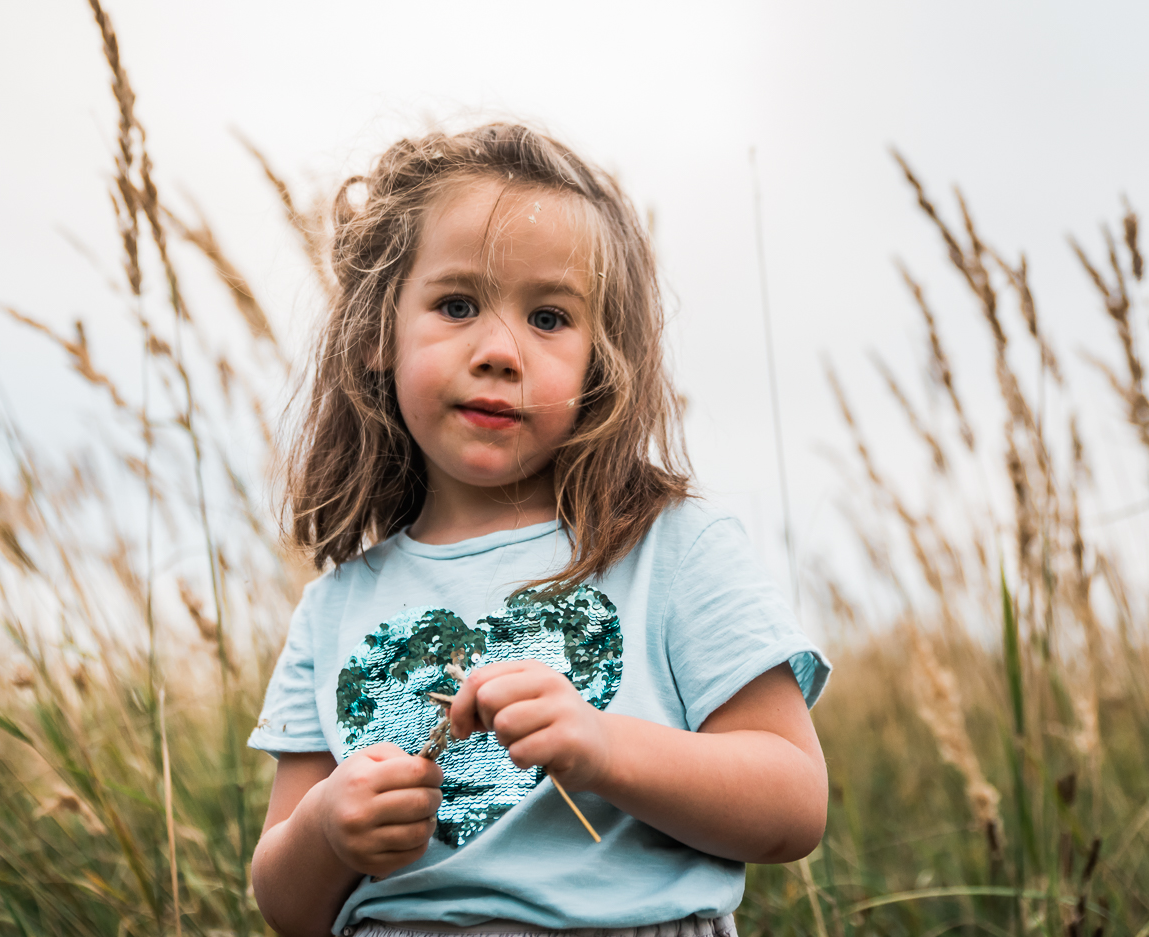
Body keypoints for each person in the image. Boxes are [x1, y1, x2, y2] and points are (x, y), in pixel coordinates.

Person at [248, 123, 831, 937]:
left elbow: (794, 800)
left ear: (603, 358)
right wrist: (324, 830)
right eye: (456, 305)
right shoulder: (333, 607)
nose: (499, 351)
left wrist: (600, 745)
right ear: (381, 330)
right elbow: (287, 907)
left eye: (550, 317)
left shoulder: (673, 550)